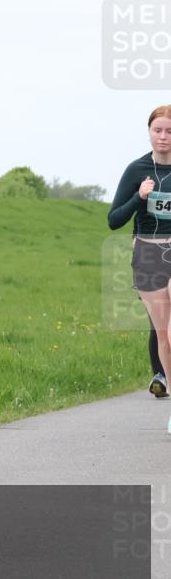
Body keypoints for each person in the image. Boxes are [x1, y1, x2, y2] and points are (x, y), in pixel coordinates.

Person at [108, 106, 171, 402]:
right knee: (161, 332)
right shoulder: (137, 170)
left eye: (169, 131)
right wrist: (139, 196)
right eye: (158, 131)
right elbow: (114, 220)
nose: (163, 137)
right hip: (148, 253)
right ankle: (164, 380)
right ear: (149, 133)